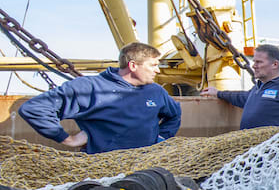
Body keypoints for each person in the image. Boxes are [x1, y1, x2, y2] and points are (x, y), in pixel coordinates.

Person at [18, 41, 181, 154]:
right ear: (132, 66)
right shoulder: (88, 87)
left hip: (148, 164)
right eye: (153, 65)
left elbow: (174, 115)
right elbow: (34, 109)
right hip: (103, 168)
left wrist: (161, 137)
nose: (158, 70)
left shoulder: (155, 91)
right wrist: (68, 139)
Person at [201, 44, 279, 129]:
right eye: (254, 62)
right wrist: (218, 93)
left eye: (259, 62)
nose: (254, 66)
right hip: (252, 149)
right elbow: (242, 97)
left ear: (275, 64)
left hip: (272, 152)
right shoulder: (258, 88)